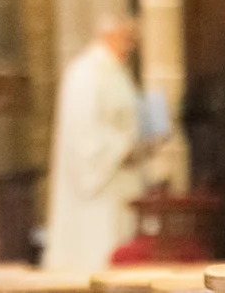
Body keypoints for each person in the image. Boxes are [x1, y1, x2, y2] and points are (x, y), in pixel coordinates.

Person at [43, 18, 147, 272]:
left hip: (120, 175)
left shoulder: (115, 71)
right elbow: (84, 130)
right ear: (109, 35)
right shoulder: (85, 73)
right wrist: (122, 145)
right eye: (126, 38)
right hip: (99, 182)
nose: (129, 46)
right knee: (97, 256)